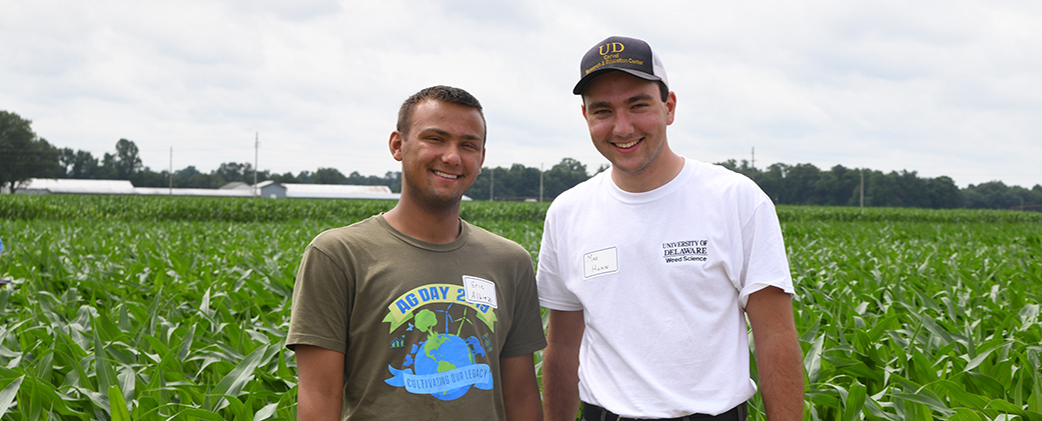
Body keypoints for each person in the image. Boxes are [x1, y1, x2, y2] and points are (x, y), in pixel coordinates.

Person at [537, 37, 804, 421]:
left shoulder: (736, 199)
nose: (622, 126)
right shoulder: (567, 212)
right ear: (586, 117)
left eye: (638, 105)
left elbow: (775, 336)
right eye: (602, 111)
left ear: (669, 107)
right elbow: (562, 344)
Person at [287, 86, 546, 421]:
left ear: (481, 158)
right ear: (398, 145)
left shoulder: (510, 261)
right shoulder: (339, 255)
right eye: (435, 139)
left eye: (468, 145)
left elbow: (521, 393)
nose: (452, 156)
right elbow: (320, 393)